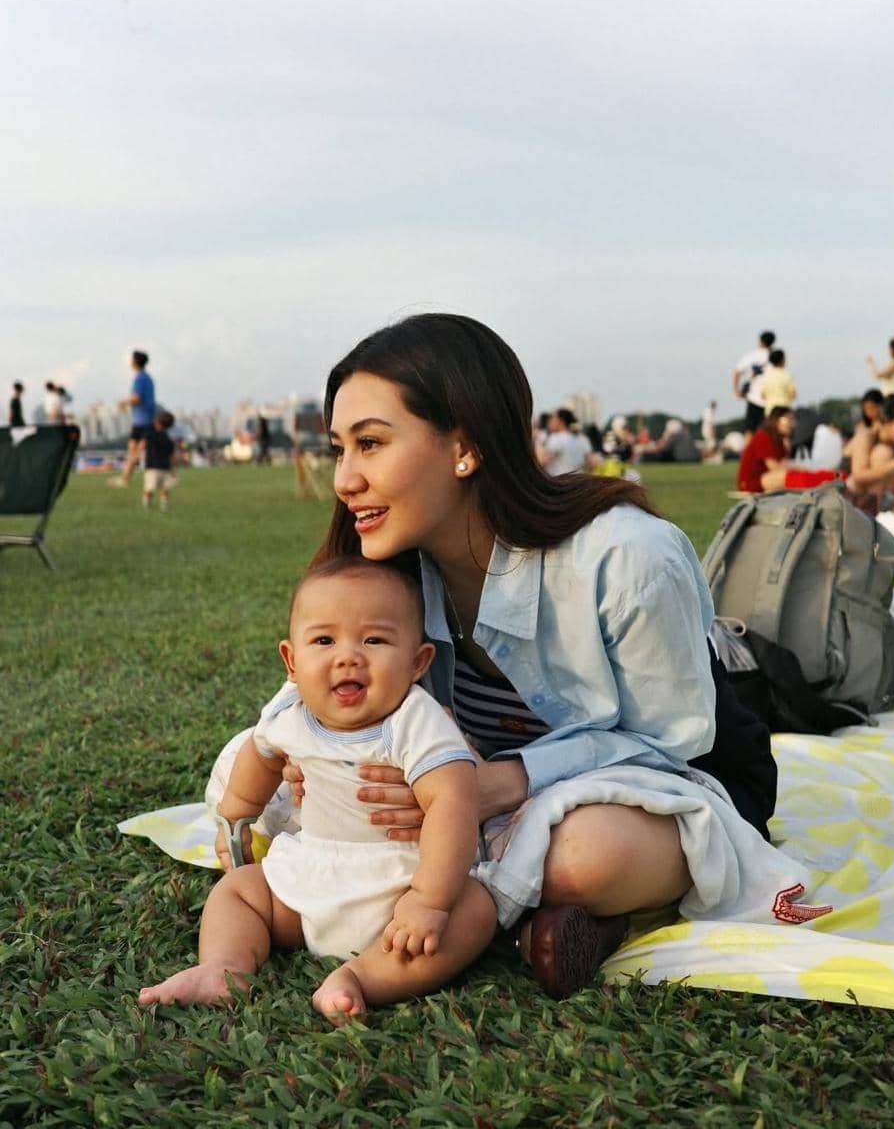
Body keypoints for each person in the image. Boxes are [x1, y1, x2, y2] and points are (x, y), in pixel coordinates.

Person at [268, 314, 826, 1000]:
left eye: (371, 445)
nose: (344, 480)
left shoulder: (627, 558)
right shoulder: (390, 575)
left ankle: (577, 908)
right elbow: (328, 696)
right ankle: (541, 922)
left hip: (671, 783)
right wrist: (314, 761)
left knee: (578, 856)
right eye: (338, 450)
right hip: (477, 802)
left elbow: (675, 744)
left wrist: (504, 782)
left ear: (465, 446)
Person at [139, 558, 495, 1020]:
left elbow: (452, 803)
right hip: (307, 879)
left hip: (399, 894)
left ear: (417, 662)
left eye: (374, 640)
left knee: (476, 911)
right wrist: (237, 815)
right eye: (324, 640)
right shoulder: (291, 715)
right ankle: (224, 968)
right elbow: (259, 755)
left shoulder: (417, 723)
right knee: (238, 892)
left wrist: (428, 900)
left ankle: (360, 977)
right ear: (291, 661)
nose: (348, 656)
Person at [846, 394, 894, 511]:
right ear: (886, 420)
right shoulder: (866, 436)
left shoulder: (893, 444)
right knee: (883, 453)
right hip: (853, 500)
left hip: (875, 499)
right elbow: (858, 475)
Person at [110, 351, 155, 488]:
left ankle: (125, 478)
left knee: (136, 451)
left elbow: (137, 398)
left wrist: (123, 402)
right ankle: (125, 478)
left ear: (135, 362)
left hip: (143, 421)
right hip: (143, 419)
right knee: (134, 450)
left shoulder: (140, 379)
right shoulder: (147, 377)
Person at [736, 406, 793, 493]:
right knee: (788, 476)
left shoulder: (779, 440)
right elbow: (774, 467)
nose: (792, 424)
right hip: (750, 483)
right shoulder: (763, 437)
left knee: (796, 472)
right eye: (788, 419)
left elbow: (785, 463)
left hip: (765, 478)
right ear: (776, 420)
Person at [733, 330, 775, 438]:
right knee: (768, 430)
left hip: (753, 397)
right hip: (769, 398)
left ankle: (748, 453)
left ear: (760, 341)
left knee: (749, 429)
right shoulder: (774, 357)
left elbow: (737, 371)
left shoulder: (752, 355)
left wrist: (736, 390)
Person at [142, 410, 177, 512]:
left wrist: (135, 456)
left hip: (152, 468)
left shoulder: (149, 433)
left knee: (150, 488)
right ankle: (163, 506)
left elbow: (143, 444)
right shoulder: (168, 439)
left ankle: (147, 506)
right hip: (165, 468)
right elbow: (172, 456)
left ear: (157, 421)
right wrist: (173, 470)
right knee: (165, 489)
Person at [541, 408, 591, 476]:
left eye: (553, 418)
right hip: (578, 481)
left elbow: (543, 462)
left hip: (559, 482)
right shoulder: (582, 438)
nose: (550, 421)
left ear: (561, 421)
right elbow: (591, 462)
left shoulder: (556, 438)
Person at [759, 349, 797, 414]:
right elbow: (793, 394)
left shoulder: (766, 376)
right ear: (782, 360)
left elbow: (762, 395)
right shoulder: (787, 375)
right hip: (785, 409)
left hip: (770, 410)